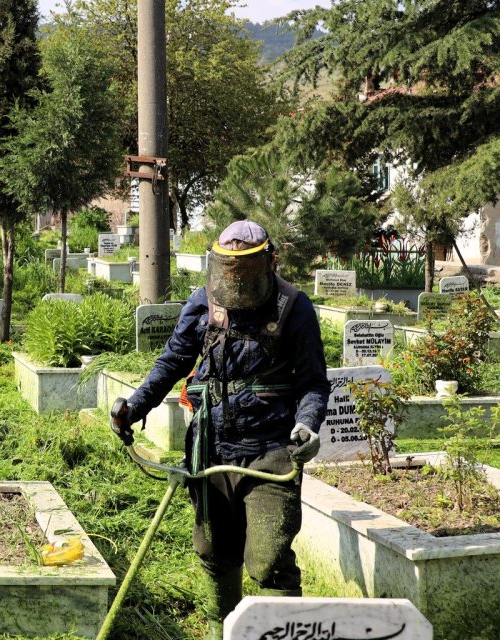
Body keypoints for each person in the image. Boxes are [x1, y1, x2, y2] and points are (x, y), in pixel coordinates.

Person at [109, 220, 328, 640]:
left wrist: (307, 423)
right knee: (214, 551)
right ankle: (220, 631)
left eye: (244, 269)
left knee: (268, 560)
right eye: (228, 269)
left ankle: (282, 631)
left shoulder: (293, 307)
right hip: (211, 447)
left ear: (268, 261)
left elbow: (313, 382)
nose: (236, 279)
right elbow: (172, 362)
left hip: (271, 451)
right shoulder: (204, 303)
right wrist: (134, 406)